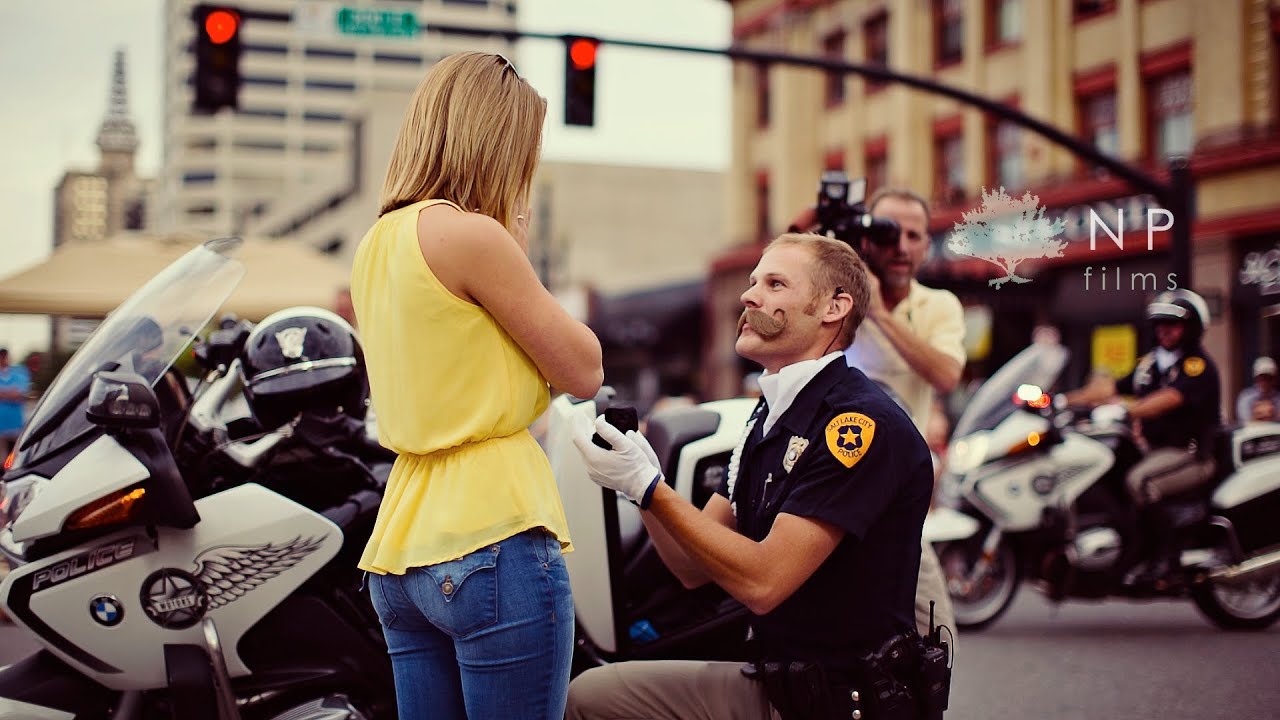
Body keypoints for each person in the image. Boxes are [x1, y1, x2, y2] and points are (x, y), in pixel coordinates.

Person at [566, 233, 936, 720]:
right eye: (753, 281)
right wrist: (640, 483)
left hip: (836, 700)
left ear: (833, 307)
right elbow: (690, 568)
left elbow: (764, 583)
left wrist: (649, 489)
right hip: (781, 680)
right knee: (589, 694)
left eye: (776, 283)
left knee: (590, 702)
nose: (748, 295)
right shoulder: (769, 417)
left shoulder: (858, 426)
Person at [349, 52, 603, 720]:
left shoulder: (376, 243)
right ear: (495, 145)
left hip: (403, 543)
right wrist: (515, 238)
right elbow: (585, 368)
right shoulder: (473, 237)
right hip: (493, 529)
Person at [792, 186, 963, 642]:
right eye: (888, 233)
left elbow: (946, 374)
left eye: (914, 235)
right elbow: (781, 280)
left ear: (928, 243)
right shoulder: (831, 295)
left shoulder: (938, 306)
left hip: (893, 501)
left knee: (937, 636)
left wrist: (880, 312)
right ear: (866, 236)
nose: (901, 247)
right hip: (819, 483)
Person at [1062, 289, 1221, 585]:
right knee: (1112, 471)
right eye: (1160, 324)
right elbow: (1109, 388)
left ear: (1191, 328)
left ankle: (1166, 558)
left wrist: (1127, 409)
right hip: (1154, 450)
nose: (1165, 330)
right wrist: (1060, 401)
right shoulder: (1151, 364)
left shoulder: (1197, 366)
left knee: (1140, 482)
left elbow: (1169, 399)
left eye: (1172, 325)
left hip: (1190, 454)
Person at [0, 348, 32, 455]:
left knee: (14, 458)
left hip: (16, 424)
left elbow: (21, 394)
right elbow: (16, 394)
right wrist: (12, 393)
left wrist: (3, 393)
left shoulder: (20, 373)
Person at [1235, 356, 1278, 424]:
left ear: (1274, 379)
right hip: (1254, 433)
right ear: (1256, 378)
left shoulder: (1278, 398)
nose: (1264, 382)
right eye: (1262, 378)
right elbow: (1245, 421)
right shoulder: (1246, 397)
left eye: (1268, 378)